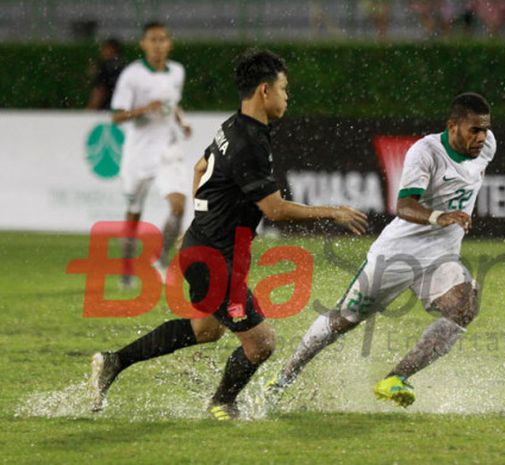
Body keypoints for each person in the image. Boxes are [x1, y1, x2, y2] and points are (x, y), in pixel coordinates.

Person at [88, 48, 369, 420]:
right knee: (262, 343)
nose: (288, 97)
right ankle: (222, 403)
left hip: (207, 250)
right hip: (213, 260)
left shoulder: (233, 126)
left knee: (205, 329)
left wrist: (198, 223)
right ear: (265, 91)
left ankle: (113, 362)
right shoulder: (248, 141)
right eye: (284, 89)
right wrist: (332, 211)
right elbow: (274, 208)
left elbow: (200, 166)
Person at [265, 92, 495, 408]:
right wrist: (438, 217)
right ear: (453, 126)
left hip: (440, 258)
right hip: (397, 254)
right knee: (344, 319)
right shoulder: (425, 153)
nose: (481, 137)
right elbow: (403, 205)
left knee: (464, 309)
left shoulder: (487, 146)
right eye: (474, 130)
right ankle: (283, 377)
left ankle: (395, 378)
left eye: (485, 129)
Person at [110, 21, 192, 287]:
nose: (158, 45)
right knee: (134, 212)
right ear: (143, 44)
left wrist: (182, 122)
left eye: (162, 40)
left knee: (179, 206)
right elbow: (117, 116)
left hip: (167, 151)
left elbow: (173, 103)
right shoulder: (132, 76)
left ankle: (160, 260)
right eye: (152, 40)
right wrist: (144, 109)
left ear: (169, 43)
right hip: (138, 153)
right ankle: (125, 270)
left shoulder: (177, 71)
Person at [86, 38, 126, 110]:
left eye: (105, 49)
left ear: (111, 49)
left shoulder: (105, 67)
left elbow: (100, 91)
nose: (102, 51)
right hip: (124, 109)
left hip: (105, 112)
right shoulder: (127, 67)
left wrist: (90, 110)